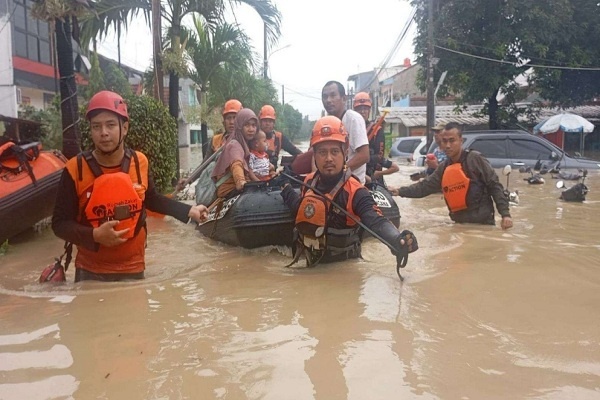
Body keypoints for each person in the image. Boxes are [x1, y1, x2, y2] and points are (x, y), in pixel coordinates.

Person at [52, 90, 208, 282]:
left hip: (133, 266)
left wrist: (189, 210)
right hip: (90, 271)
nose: (103, 133)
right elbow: (59, 224)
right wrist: (95, 235)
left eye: (110, 125)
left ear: (124, 128)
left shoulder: (139, 162)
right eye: (96, 126)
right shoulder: (75, 169)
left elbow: (151, 199)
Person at [280, 115, 418, 266]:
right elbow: (301, 208)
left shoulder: (356, 191)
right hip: (311, 264)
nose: (328, 159)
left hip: (344, 270)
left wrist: (396, 240)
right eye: (322, 152)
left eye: (334, 152)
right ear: (314, 155)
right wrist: (285, 188)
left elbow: (376, 220)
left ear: (345, 153)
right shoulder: (308, 182)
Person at [392, 123, 513, 229]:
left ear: (461, 141)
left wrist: (505, 215)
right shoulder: (444, 167)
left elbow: (495, 185)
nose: (448, 145)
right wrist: (399, 191)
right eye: (444, 141)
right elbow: (425, 187)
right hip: (459, 225)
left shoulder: (475, 159)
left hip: (482, 226)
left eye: (452, 140)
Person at [321, 81, 370, 184]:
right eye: (325, 97)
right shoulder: (324, 123)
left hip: (352, 183)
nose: (328, 100)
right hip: (330, 181)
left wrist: (339, 171)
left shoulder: (353, 119)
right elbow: (314, 154)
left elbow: (364, 155)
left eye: (333, 95)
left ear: (344, 99)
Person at [211, 108, 257, 200]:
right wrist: (240, 181)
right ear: (239, 126)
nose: (251, 129)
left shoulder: (246, 143)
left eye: (253, 125)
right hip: (229, 190)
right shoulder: (234, 144)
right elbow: (236, 163)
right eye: (246, 125)